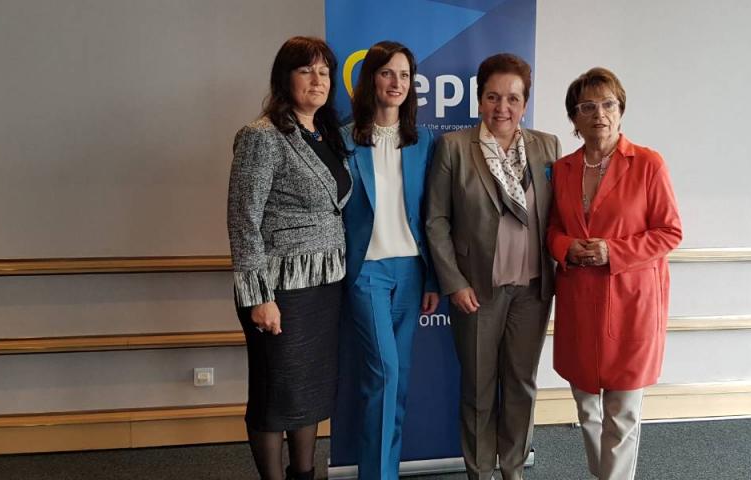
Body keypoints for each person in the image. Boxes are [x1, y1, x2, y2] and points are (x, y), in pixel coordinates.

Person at [426, 53, 560, 480]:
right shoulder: (453, 147)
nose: (503, 107)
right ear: (479, 99)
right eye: (493, 97)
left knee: (521, 384)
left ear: (525, 103)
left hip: (532, 291)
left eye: (513, 98)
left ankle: (514, 467)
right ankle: (480, 471)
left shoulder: (547, 146)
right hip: (477, 291)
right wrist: (454, 281)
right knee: (479, 388)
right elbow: (436, 220)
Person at [547, 67, 682, 480]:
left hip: (630, 303)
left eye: (608, 104)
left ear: (621, 110)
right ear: (574, 118)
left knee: (622, 414)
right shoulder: (563, 169)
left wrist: (613, 251)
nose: (599, 114)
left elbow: (670, 231)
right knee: (587, 408)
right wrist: (566, 248)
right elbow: (551, 229)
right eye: (587, 107)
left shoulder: (648, 164)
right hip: (579, 301)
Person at [226, 36, 351, 480]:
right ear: (285, 78)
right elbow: (243, 219)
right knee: (274, 395)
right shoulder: (262, 136)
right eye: (306, 70)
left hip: (323, 285)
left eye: (324, 72)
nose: (318, 80)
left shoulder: (327, 135)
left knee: (308, 392)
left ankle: (304, 474)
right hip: (279, 289)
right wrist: (260, 297)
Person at [340, 40, 440, 480]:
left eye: (404, 75)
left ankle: (385, 472)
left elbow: (432, 215)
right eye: (387, 73)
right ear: (371, 80)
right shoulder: (344, 140)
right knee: (384, 375)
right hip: (367, 273)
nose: (396, 82)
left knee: (395, 384)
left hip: (411, 273)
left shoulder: (424, 141)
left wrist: (432, 279)